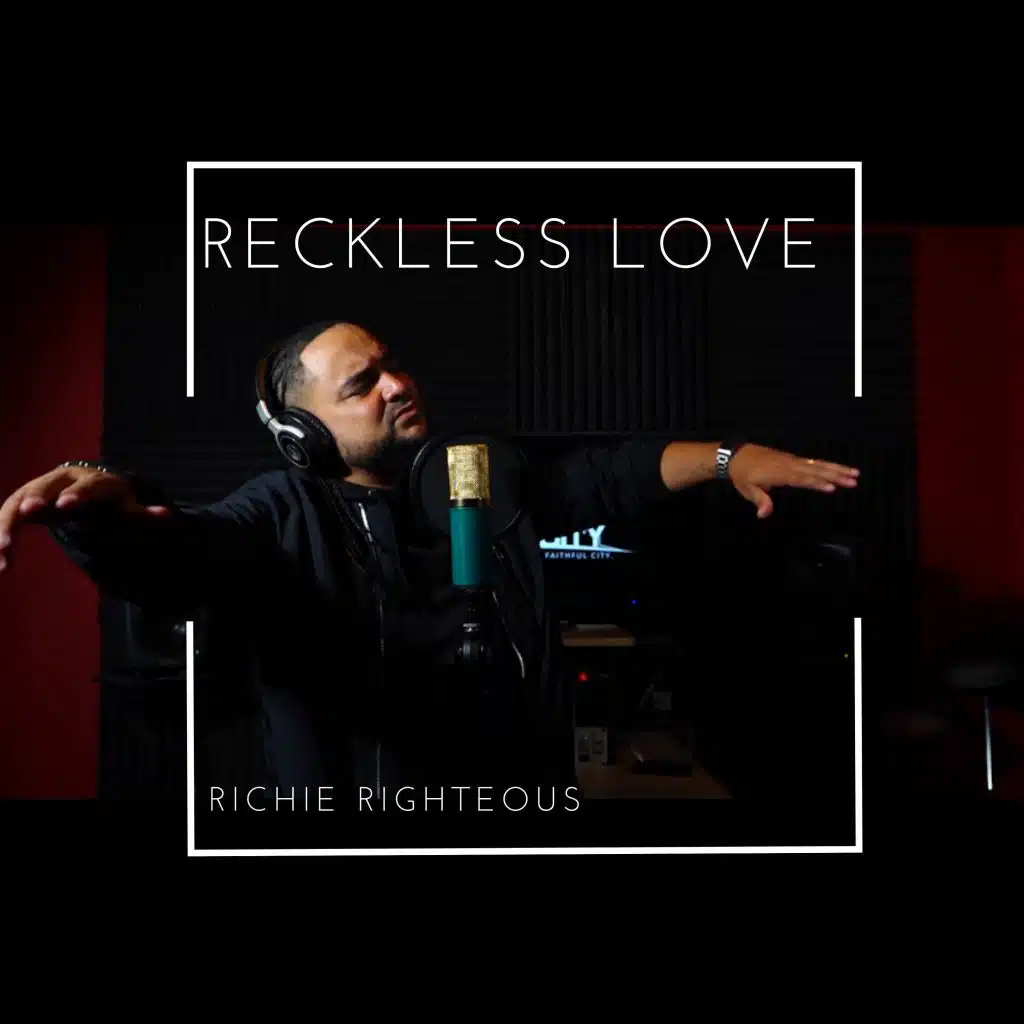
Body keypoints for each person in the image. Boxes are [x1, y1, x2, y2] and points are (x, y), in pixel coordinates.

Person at [0, 321, 860, 809]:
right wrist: (99, 509)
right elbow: (178, 554)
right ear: (303, 433)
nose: (396, 385)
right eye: (361, 384)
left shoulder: (476, 477)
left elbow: (613, 471)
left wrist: (729, 459)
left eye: (392, 366)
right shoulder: (280, 512)